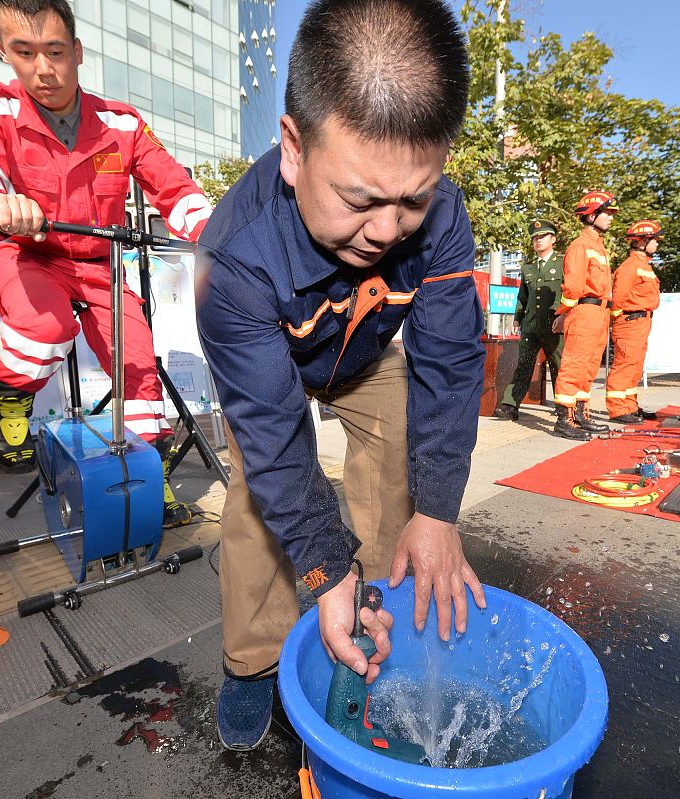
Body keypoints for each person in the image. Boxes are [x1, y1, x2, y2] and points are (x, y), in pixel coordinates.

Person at [195, 0, 488, 752]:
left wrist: (440, 512)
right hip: (276, 365)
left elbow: (451, 362)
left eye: (412, 200)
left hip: (362, 359)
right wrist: (324, 566)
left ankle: (373, 625)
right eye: (360, 200)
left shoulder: (445, 216)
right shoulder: (232, 259)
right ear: (294, 149)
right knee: (258, 498)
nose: (387, 231)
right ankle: (252, 659)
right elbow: (274, 436)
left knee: (402, 467)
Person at [0, 0, 211, 472]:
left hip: (101, 268)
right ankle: (8, 395)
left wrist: (217, 234)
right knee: (44, 327)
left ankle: (148, 481)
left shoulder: (122, 122)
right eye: (25, 52)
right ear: (2, 50)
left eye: (55, 51)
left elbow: (174, 188)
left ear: (78, 50)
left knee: (140, 372)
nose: (43, 69)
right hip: (29, 256)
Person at [551, 191, 618, 440]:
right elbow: (573, 286)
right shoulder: (580, 246)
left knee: (589, 366)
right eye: (607, 213)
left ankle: (580, 414)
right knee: (574, 364)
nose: (611, 218)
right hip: (585, 312)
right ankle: (564, 420)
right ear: (591, 216)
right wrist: (564, 313)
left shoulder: (598, 246)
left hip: (599, 313)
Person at [493, 218, 564, 422]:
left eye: (542, 236)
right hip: (530, 325)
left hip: (554, 324)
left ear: (553, 239)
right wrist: (517, 318)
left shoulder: (562, 263)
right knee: (523, 365)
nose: (538, 240)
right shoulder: (528, 268)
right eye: (534, 238)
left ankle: (563, 407)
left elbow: (570, 292)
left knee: (558, 366)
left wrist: (564, 315)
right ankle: (509, 405)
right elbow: (522, 297)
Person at [605, 219, 663, 423]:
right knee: (624, 365)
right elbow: (618, 299)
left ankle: (629, 406)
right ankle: (618, 409)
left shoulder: (643, 266)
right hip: (630, 322)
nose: (657, 243)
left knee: (635, 366)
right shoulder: (630, 267)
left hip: (640, 322)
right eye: (654, 239)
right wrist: (620, 321)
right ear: (642, 241)